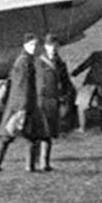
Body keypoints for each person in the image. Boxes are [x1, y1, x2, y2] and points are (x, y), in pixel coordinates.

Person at [0, 33, 43, 171]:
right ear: (25, 45)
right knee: (29, 137)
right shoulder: (25, 62)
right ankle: (29, 167)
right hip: (22, 106)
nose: (34, 48)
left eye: (36, 45)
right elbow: (23, 85)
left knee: (8, 137)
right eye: (31, 45)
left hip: (17, 105)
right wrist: (23, 107)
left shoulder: (23, 60)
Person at [35, 34, 73, 171]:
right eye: (51, 45)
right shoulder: (38, 62)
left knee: (49, 133)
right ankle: (33, 162)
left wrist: (67, 96)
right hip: (40, 100)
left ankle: (45, 163)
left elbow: (65, 82)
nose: (53, 48)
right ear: (45, 46)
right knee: (38, 133)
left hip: (54, 101)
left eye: (56, 46)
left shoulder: (60, 63)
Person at [71, 37, 102, 132]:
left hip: (90, 82)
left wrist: (74, 73)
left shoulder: (95, 55)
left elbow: (85, 65)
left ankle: (82, 128)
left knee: (81, 106)